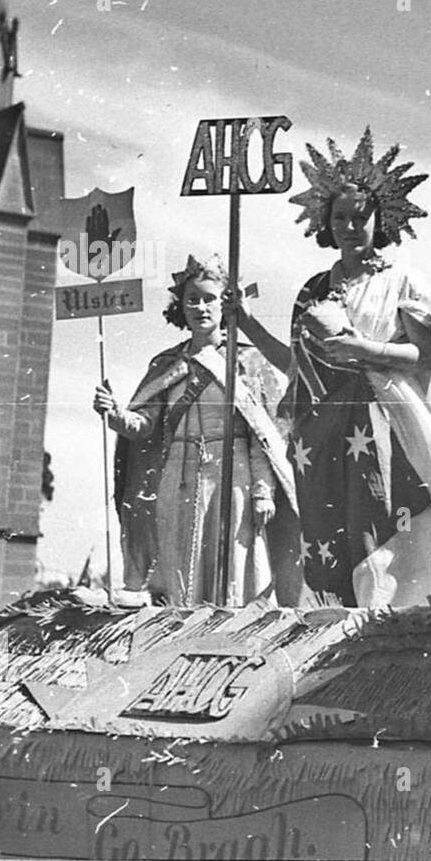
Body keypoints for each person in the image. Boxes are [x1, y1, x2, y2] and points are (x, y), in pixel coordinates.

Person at [234, 129, 431, 608]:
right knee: (331, 531)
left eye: (361, 217)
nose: (350, 226)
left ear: (383, 219)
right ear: (324, 222)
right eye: (339, 217)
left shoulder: (403, 280)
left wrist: (364, 350)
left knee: (380, 523)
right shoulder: (313, 288)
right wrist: (247, 324)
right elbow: (297, 366)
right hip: (323, 427)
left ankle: (388, 618)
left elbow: (425, 357)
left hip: (383, 419)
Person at [97, 254, 300, 606]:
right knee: (178, 556)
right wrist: (115, 414)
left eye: (209, 299)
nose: (200, 307)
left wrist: (263, 491)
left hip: (233, 471)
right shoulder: (166, 363)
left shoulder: (247, 361)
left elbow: (263, 435)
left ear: (225, 306)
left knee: (232, 559)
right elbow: (144, 427)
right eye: (192, 299)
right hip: (177, 470)